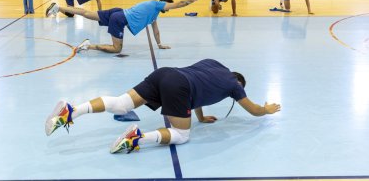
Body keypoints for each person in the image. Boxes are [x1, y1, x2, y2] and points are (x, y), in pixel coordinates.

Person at [45, 59, 281, 154]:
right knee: (181, 135)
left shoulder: (214, 65)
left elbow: (198, 88)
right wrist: (266, 109)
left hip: (165, 74)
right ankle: (136, 138)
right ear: (239, 82)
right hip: (179, 88)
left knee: (120, 104)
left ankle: (71, 110)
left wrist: (200, 116)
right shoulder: (234, 85)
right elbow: (252, 109)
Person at [45, 0, 203, 53]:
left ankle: (58, 7)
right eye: (167, 7)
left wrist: (160, 44)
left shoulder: (154, 14)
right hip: (119, 19)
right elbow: (178, 4)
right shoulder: (157, 4)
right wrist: (192, 0)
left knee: (86, 13)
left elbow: (156, 30)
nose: (168, 10)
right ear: (165, 4)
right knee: (116, 49)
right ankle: (88, 45)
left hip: (118, 11)